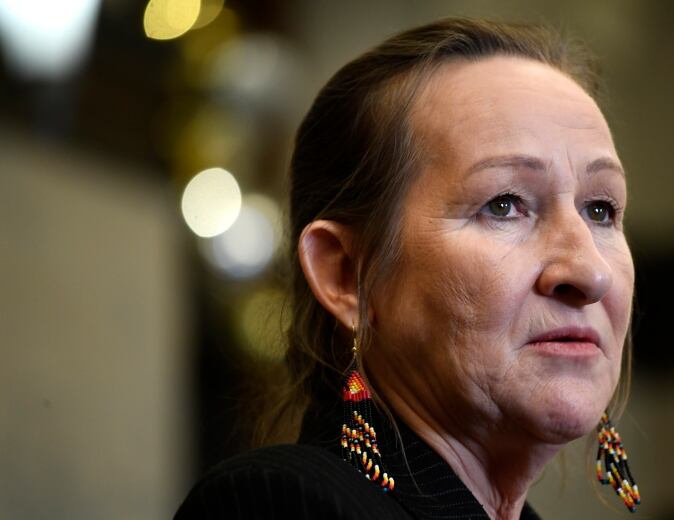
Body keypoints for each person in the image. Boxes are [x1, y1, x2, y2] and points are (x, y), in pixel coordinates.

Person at [175, 17, 640, 520]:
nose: (589, 272)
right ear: (346, 274)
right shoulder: (278, 506)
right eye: (504, 204)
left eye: (601, 210)